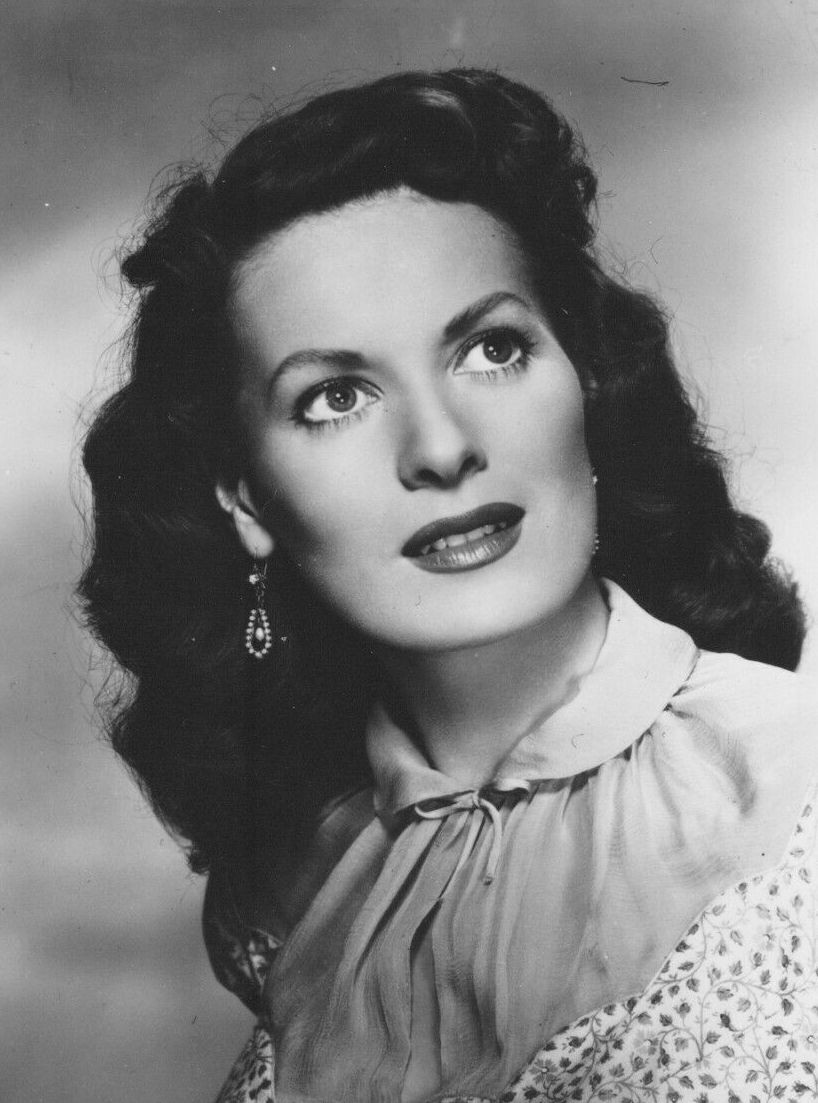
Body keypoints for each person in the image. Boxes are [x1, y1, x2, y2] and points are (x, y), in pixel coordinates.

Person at [79, 69, 818, 1103]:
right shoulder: (294, 899)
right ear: (245, 500)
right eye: (336, 396)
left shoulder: (794, 786)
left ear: (583, 377)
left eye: (490, 348)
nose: (438, 447)